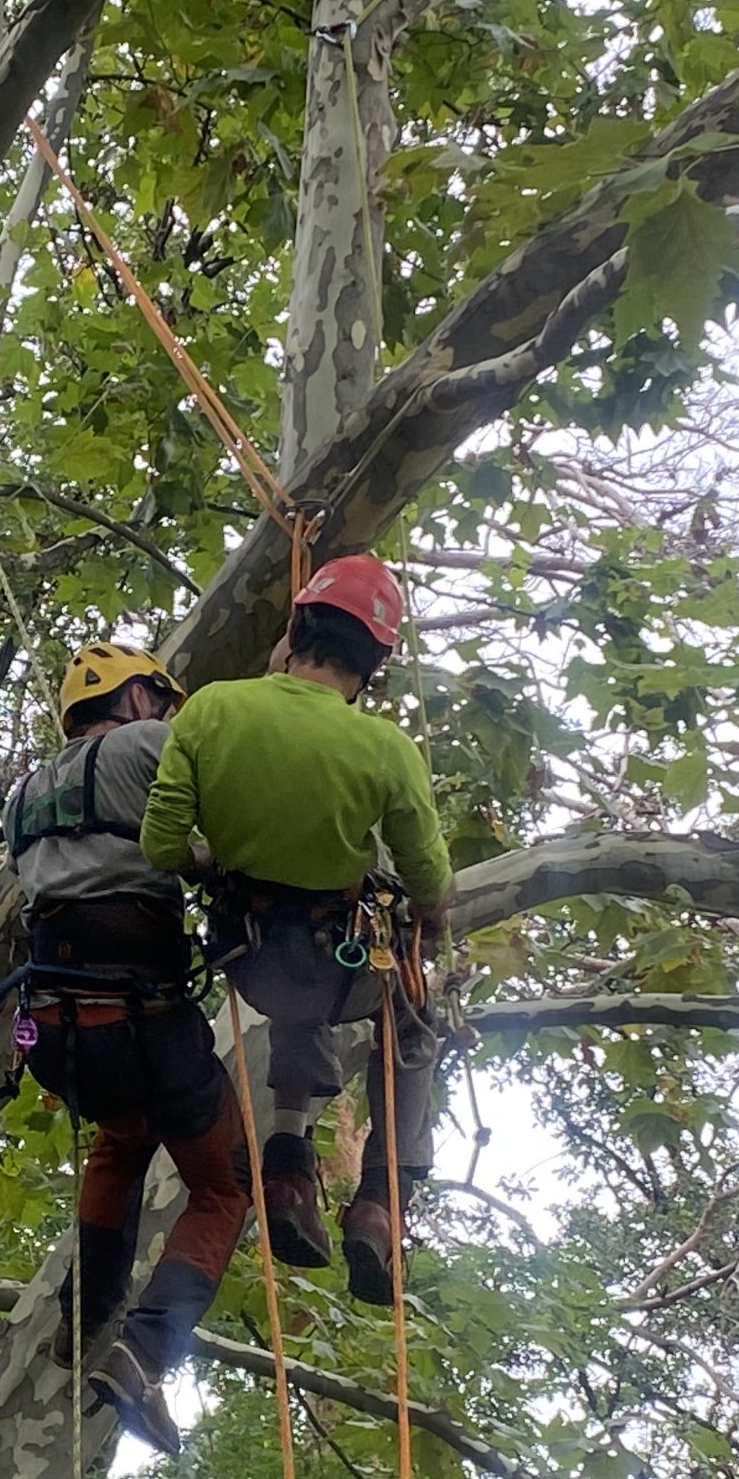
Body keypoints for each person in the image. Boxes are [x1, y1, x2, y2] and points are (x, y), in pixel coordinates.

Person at [138, 554, 451, 1307]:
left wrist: (217, 863)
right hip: (342, 963)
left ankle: (286, 1164)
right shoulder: (385, 751)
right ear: (373, 660)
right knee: (411, 1024)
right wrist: (428, 931)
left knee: (298, 1008)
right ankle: (378, 1202)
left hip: (252, 957)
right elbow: (431, 886)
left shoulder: (211, 710)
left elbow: (160, 845)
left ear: (296, 628)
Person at [4, 640, 292, 1455]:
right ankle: (145, 1353)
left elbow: (89, 865)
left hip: (55, 1031)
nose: (167, 716)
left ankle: (84, 1315)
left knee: (122, 1140)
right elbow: (242, 813)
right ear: (135, 702)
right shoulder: (147, 746)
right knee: (224, 1186)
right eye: (160, 701)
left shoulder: (25, 790)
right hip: (144, 1024)